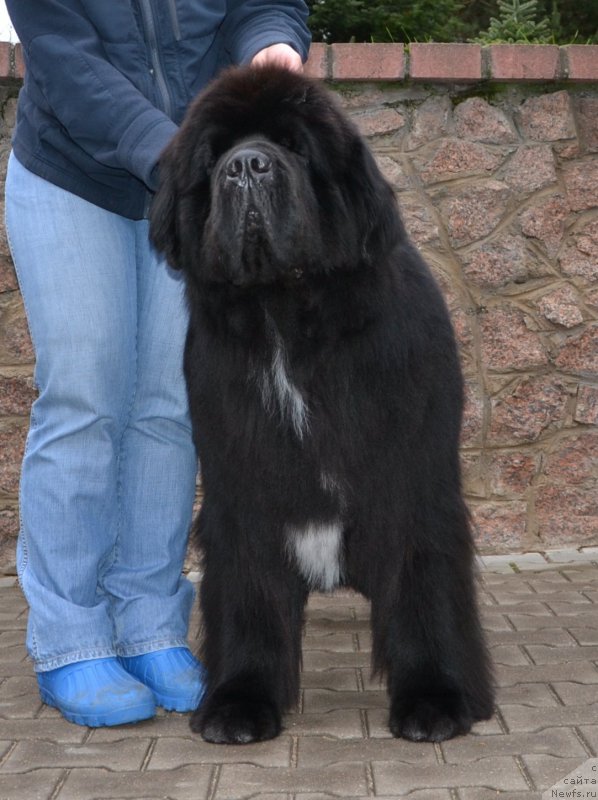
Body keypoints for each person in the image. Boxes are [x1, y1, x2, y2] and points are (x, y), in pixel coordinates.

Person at [5, 0, 310, 728]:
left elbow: (265, 5)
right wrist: (182, 154)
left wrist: (271, 44)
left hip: (192, 175)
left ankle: (148, 622)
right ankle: (70, 635)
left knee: (169, 407)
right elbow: (69, 61)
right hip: (75, 178)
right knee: (84, 399)